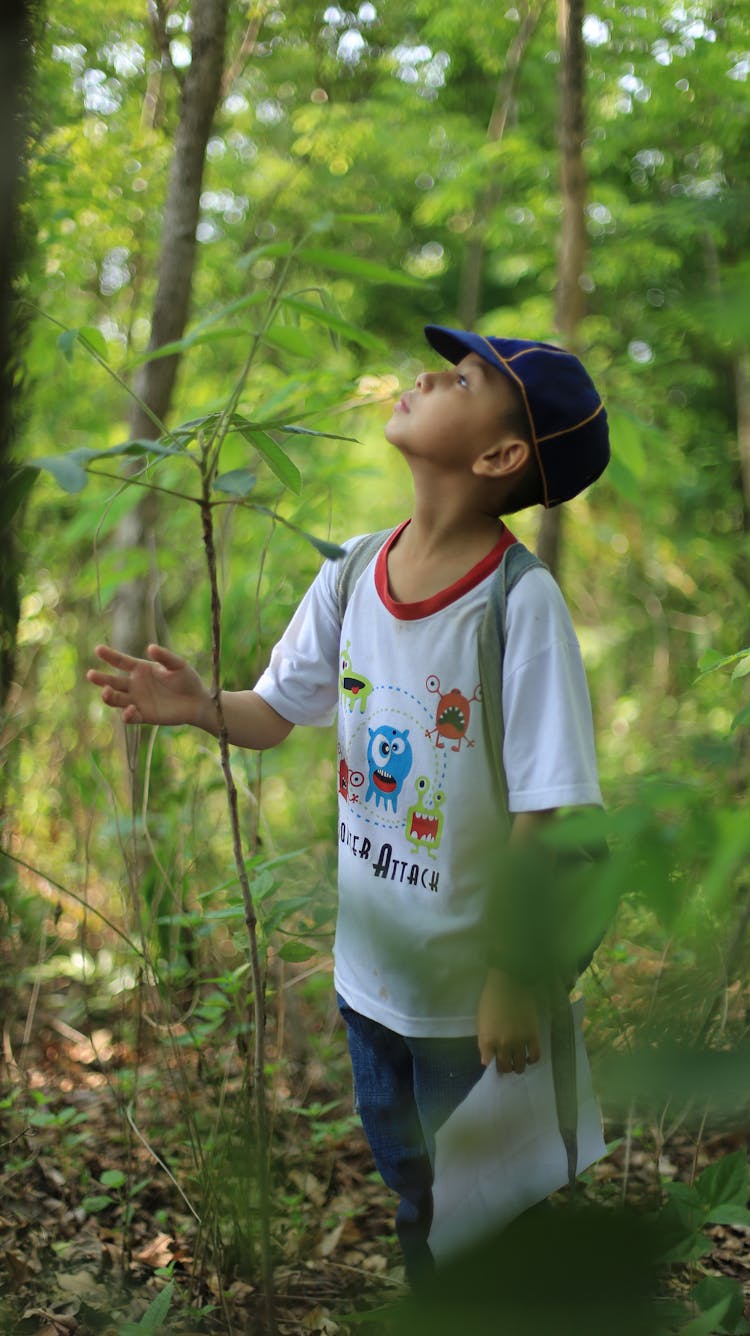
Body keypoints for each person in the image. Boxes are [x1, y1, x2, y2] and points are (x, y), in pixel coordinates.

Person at [87, 324, 609, 1283]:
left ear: (500, 455)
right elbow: (279, 711)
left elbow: (550, 808)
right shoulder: (354, 568)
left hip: (472, 1002)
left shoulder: (517, 605)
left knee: (490, 1221)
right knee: (416, 1192)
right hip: (372, 983)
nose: (423, 377)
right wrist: (201, 706)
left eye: (459, 379)